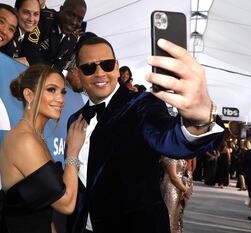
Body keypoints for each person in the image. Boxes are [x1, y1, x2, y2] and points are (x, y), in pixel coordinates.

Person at [65, 36, 224, 232]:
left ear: (117, 66)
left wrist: (200, 119)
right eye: (89, 68)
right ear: (78, 73)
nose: (100, 73)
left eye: (106, 65)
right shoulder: (74, 120)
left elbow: (170, 140)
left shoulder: (140, 104)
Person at [0, 65, 87, 233]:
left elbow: (43, 206)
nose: (61, 99)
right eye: (52, 90)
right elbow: (66, 204)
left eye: (62, 92)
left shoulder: (36, 137)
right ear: (29, 95)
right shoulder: (24, 140)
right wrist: (72, 153)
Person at [22, 0, 87, 71]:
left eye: (79, 19)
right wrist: (51, 70)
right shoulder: (43, 19)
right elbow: (30, 54)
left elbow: (59, 67)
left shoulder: (72, 39)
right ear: (61, 9)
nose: (74, 22)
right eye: (71, 15)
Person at [0, 0, 41, 65]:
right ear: (16, 11)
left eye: (36, 14)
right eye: (26, 12)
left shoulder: (29, 37)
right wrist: (13, 62)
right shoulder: (6, 32)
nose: (31, 19)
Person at [160, 157, 190, 233]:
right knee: (170, 217)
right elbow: (173, 176)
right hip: (170, 189)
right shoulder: (170, 154)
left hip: (179, 188)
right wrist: (185, 190)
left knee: (177, 218)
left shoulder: (178, 152)